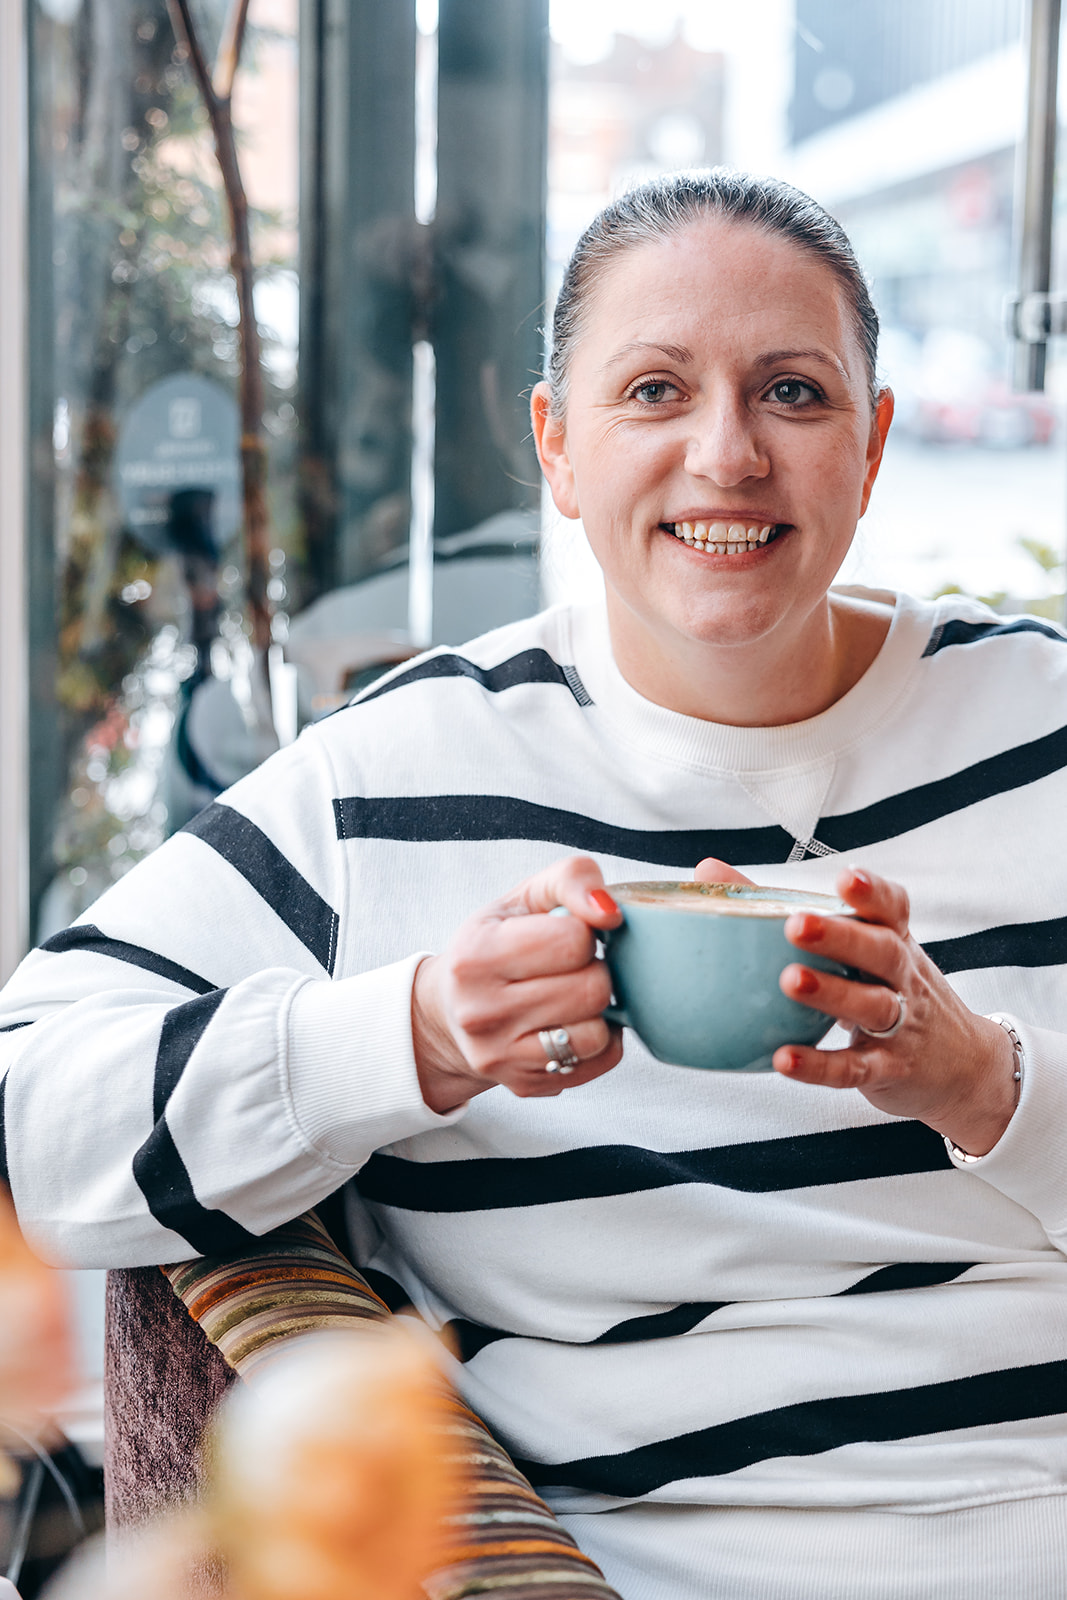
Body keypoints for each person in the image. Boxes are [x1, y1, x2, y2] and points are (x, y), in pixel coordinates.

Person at [3, 170, 1067, 1599]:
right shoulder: (394, 779)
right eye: (652, 393)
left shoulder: (1040, 727)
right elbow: (38, 1113)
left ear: (873, 447)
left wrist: (984, 1083)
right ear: (558, 447)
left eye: (795, 394)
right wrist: (418, 1036)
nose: (728, 454)